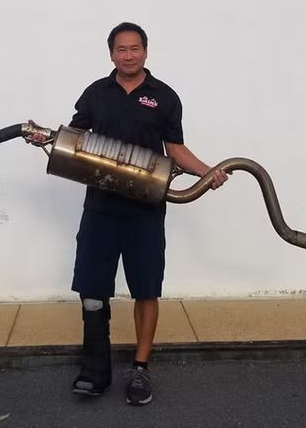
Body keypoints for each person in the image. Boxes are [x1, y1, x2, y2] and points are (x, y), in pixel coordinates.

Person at [67, 22, 228, 406]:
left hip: (145, 211)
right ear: (111, 54)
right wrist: (46, 139)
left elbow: (176, 149)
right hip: (101, 208)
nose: (128, 55)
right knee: (92, 290)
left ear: (145, 51)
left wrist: (207, 172)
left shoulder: (164, 97)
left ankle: (140, 368)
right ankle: (96, 370)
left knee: (146, 290)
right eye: (121, 49)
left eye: (135, 48)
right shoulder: (96, 93)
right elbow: (74, 139)